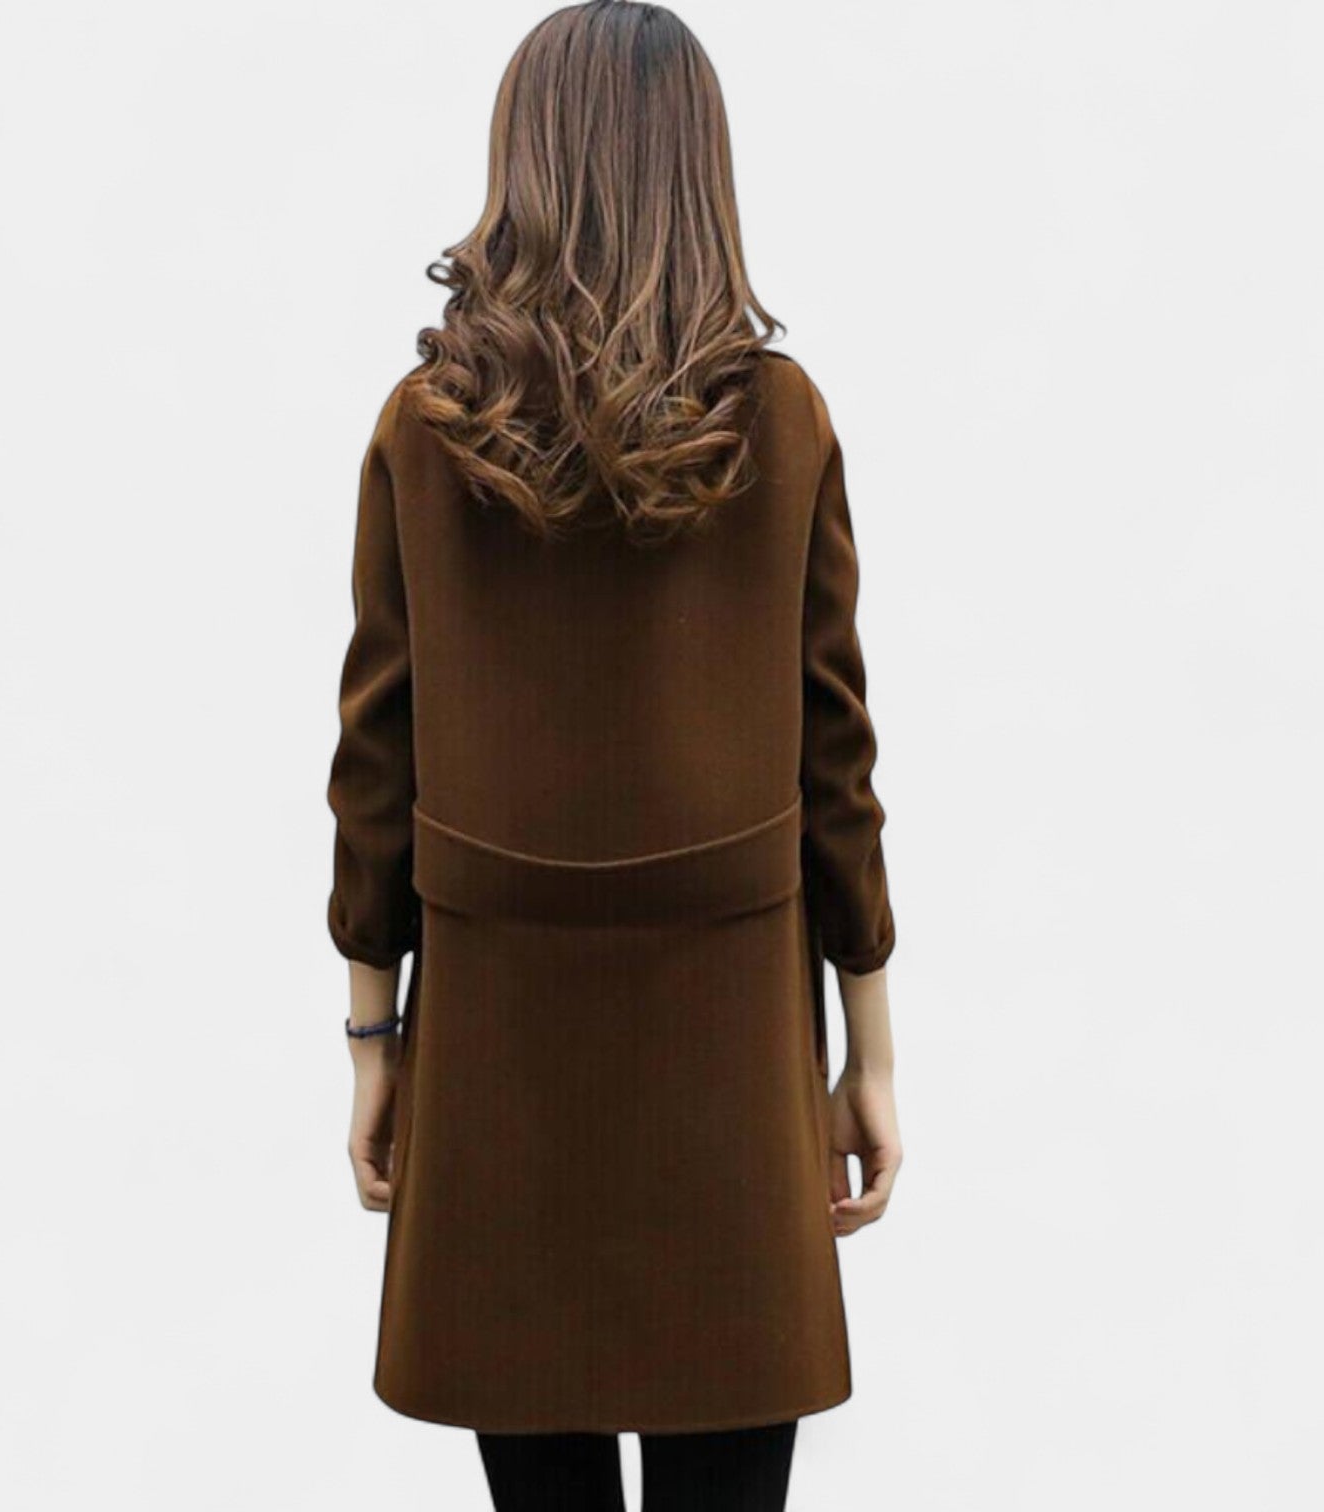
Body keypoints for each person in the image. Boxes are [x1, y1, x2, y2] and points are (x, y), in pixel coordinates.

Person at [326, 3, 903, 1507]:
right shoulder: (780, 419)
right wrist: (870, 1051)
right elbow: (835, 754)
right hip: (730, 1048)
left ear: (522, 163)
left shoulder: (426, 430)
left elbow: (376, 760)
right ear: (699, 174)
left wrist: (373, 1041)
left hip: (497, 1046)